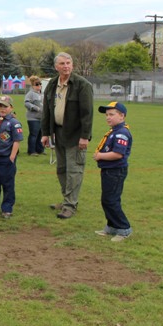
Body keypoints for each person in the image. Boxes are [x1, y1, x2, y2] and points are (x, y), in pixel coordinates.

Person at [41, 52, 94, 219]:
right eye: (62, 64)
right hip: (58, 132)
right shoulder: (51, 85)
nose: (66, 66)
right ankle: (66, 200)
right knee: (62, 169)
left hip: (76, 134)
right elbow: (47, 110)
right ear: (56, 67)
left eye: (68, 63)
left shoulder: (82, 85)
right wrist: (45, 133)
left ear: (72, 65)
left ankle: (70, 205)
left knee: (74, 170)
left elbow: (87, 114)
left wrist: (85, 136)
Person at [93, 101, 133, 242]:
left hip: (115, 171)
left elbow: (118, 154)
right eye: (106, 115)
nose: (108, 117)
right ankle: (111, 226)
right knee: (106, 200)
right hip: (108, 170)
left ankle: (124, 228)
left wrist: (100, 156)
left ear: (122, 116)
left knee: (111, 200)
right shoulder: (114, 131)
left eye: (111, 114)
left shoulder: (121, 133)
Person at [23, 75, 45, 156]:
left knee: (41, 134)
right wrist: (35, 108)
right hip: (33, 118)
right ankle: (31, 151)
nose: (39, 86)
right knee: (34, 134)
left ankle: (40, 150)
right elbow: (26, 103)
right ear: (32, 85)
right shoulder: (30, 94)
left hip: (42, 117)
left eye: (40, 84)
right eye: (37, 84)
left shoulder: (42, 94)